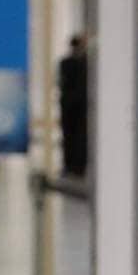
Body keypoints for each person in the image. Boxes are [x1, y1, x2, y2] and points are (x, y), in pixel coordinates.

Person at [57, 32, 88, 179]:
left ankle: (73, 166)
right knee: (73, 137)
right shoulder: (80, 63)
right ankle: (74, 166)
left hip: (72, 105)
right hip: (75, 106)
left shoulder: (68, 63)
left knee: (73, 137)